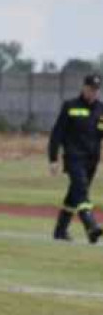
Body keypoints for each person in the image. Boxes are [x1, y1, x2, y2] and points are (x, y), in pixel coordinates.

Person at [47, 72, 103, 243]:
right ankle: (91, 225)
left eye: (96, 89)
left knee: (74, 194)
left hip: (92, 159)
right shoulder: (70, 106)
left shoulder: (101, 109)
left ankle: (60, 231)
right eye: (90, 89)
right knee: (82, 189)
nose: (93, 92)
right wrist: (53, 159)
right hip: (73, 158)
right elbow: (57, 134)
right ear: (84, 88)